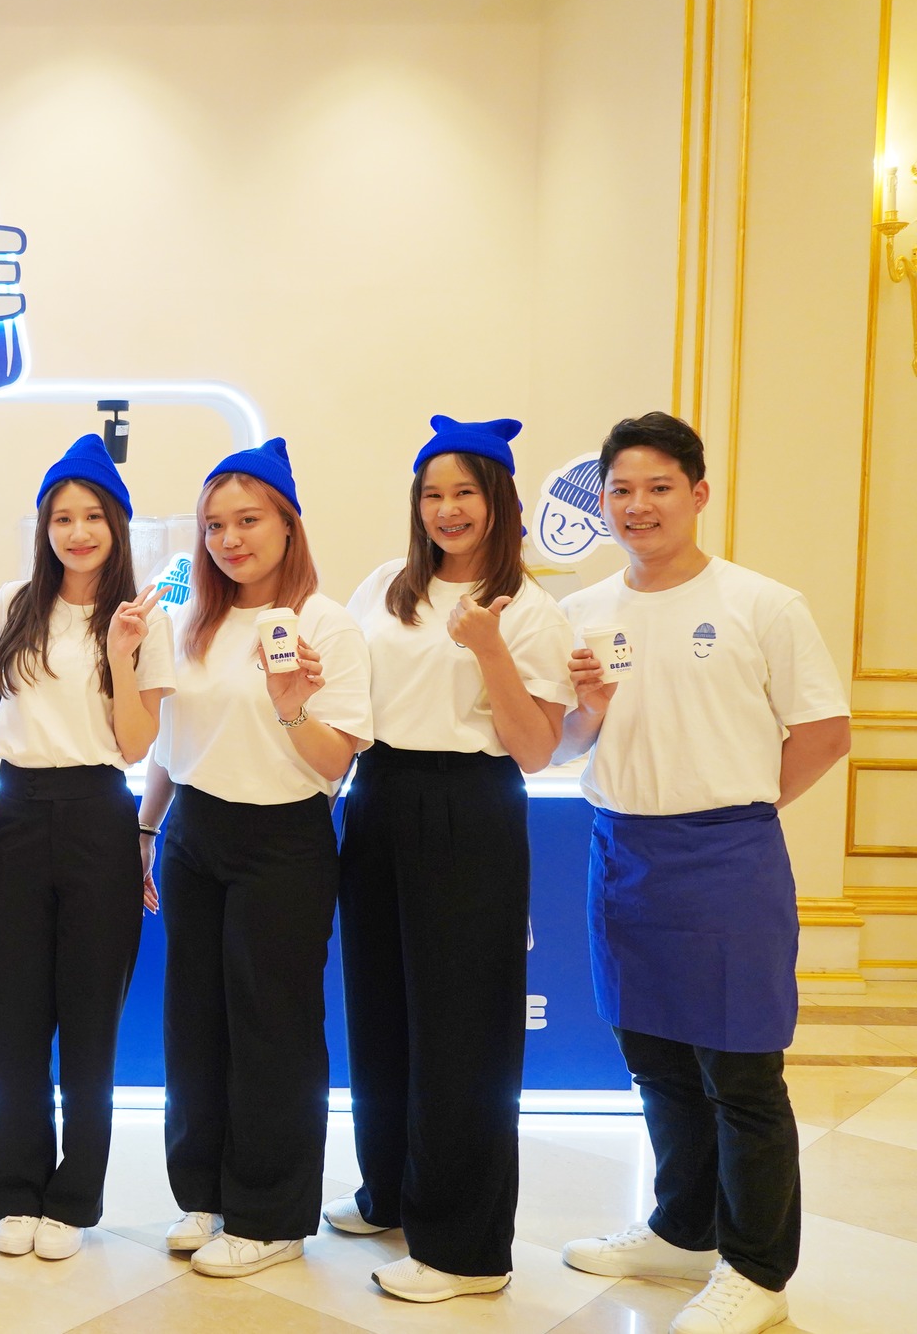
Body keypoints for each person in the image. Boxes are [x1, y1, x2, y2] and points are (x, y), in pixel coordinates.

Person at [555, 413, 849, 1334]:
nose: (638, 505)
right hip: (621, 850)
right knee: (656, 1060)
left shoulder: (763, 603)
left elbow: (825, 731)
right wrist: (585, 714)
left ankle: (757, 1270)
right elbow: (560, 742)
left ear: (699, 493)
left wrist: (738, 806)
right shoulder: (583, 611)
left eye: (659, 487)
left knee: (741, 1071)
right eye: (621, 489)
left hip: (727, 856)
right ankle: (683, 1229)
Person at [330, 415, 575, 1302]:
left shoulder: (531, 608)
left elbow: (536, 747)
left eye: (465, 492)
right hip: (379, 795)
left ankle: (467, 1249)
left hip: (470, 804)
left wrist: (489, 648)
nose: (447, 509)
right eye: (432, 494)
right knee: (382, 1010)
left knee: (463, 1030)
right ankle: (392, 1192)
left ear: (498, 501)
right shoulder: (385, 587)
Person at [139, 440, 372, 1281]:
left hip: (282, 839)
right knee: (193, 1021)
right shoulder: (191, 619)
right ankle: (204, 1191)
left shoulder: (326, 623)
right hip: (194, 831)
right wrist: (146, 829)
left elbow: (335, 760)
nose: (230, 539)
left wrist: (291, 704)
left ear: (287, 524)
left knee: (273, 1030)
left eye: (248, 520)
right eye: (214, 525)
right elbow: (170, 741)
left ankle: (271, 1214)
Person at [0, 435, 174, 1262]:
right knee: (14, 1015)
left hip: (98, 813)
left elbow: (135, 744)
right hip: (17, 812)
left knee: (90, 1022)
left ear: (116, 524)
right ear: (44, 527)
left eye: (92, 516)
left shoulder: (142, 618)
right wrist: (4, 734)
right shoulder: (15, 602)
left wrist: (120, 654)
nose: (77, 532)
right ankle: (14, 1189)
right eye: (61, 517)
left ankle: (75, 1196)